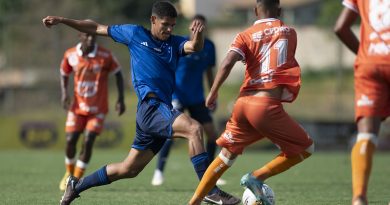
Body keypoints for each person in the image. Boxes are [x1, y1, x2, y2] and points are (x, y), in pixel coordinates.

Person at [42, 1, 240, 205]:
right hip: (151, 107)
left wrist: (197, 35)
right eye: (165, 24)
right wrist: (63, 20)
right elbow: (95, 27)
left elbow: (194, 46)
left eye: (173, 25)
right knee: (195, 129)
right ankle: (210, 190)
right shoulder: (135, 34)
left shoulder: (174, 43)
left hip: (159, 110)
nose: (169, 29)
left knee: (129, 169)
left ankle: (77, 185)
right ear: (153, 20)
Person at [188, 0, 315, 204]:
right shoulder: (289, 32)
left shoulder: (243, 35)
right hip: (266, 106)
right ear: (280, 10)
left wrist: (212, 92)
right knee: (306, 148)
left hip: (243, 104)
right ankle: (257, 177)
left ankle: (193, 202)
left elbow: (228, 62)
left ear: (255, 10)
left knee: (226, 156)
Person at [151, 14, 226, 187]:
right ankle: (159, 172)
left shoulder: (209, 46)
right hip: (178, 95)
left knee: (212, 134)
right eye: (195, 25)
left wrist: (212, 93)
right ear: (190, 27)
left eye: (202, 26)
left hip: (197, 96)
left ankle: (210, 173)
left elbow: (208, 71)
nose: (198, 29)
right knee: (171, 134)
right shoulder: (180, 44)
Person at [334, 1, 390, 205]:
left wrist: (366, 55)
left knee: (366, 134)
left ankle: (359, 197)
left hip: (371, 63)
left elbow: (340, 27)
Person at [58, 32, 126, 191]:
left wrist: (121, 99)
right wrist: (64, 93)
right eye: (87, 36)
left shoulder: (105, 55)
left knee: (88, 141)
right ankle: (69, 173)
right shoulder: (70, 54)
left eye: (93, 36)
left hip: (98, 109)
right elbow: (63, 73)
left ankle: (76, 178)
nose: (90, 39)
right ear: (80, 36)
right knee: (70, 140)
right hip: (77, 107)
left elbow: (119, 74)